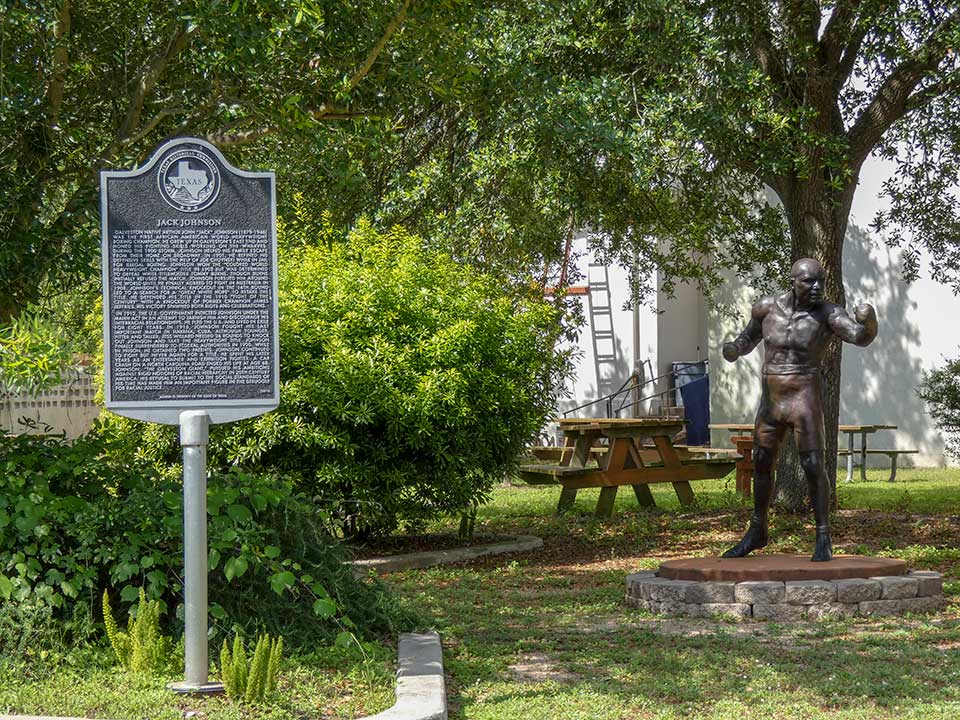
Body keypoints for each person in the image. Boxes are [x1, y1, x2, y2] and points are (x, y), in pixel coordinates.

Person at [721, 258, 878, 561]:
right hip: (770, 400)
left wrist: (869, 322)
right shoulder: (765, 308)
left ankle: (823, 535)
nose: (817, 287)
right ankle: (758, 529)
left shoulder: (829, 314)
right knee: (762, 462)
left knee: (813, 465)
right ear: (792, 280)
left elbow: (859, 337)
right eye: (809, 281)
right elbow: (748, 338)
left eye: (820, 281)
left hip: (804, 396)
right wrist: (733, 349)